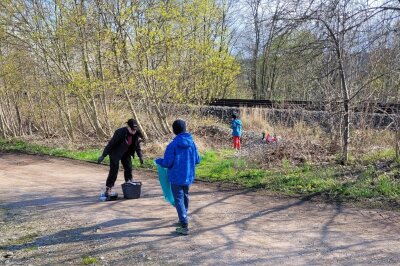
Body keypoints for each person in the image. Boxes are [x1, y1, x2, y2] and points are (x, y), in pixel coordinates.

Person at [155, 119, 200, 235]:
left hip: (176, 177)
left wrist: (158, 161)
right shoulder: (192, 143)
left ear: (174, 130)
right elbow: (197, 160)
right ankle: (183, 218)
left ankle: (184, 224)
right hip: (188, 176)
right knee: (185, 196)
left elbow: (167, 163)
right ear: (185, 129)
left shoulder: (172, 145)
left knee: (178, 199)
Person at [98, 119, 144, 198]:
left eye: (135, 129)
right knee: (114, 170)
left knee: (129, 168)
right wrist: (103, 155)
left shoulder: (136, 134)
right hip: (115, 152)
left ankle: (129, 184)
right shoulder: (120, 132)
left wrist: (140, 156)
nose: (133, 131)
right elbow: (111, 144)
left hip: (126, 152)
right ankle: (108, 189)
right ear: (128, 127)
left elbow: (137, 146)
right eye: (132, 129)